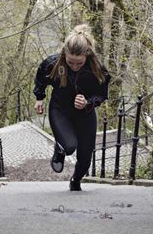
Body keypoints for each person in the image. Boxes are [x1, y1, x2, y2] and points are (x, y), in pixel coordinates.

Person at [33, 24, 111, 191]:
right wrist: (39, 98)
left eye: (79, 63)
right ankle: (60, 149)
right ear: (64, 53)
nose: (74, 66)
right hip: (60, 110)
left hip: (85, 114)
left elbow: (102, 94)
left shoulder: (97, 69)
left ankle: (75, 180)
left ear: (87, 55)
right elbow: (41, 78)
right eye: (70, 62)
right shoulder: (53, 63)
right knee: (69, 146)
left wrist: (88, 102)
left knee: (85, 156)